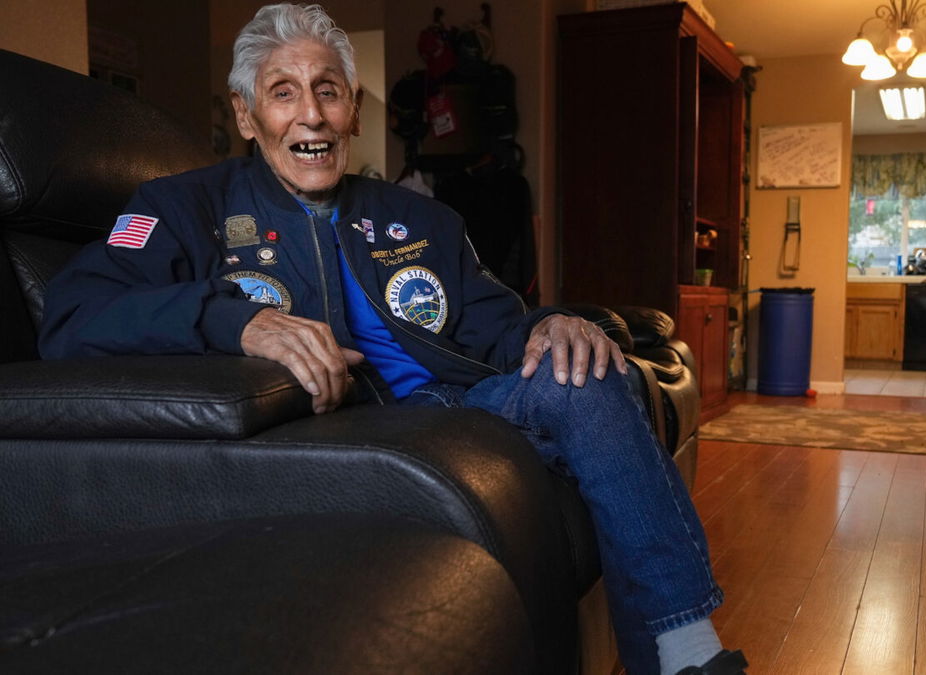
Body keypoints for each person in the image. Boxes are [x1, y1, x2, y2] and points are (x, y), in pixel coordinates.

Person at [37, 5, 745, 675]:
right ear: (246, 115)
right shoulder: (181, 207)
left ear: (355, 112)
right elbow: (72, 317)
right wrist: (238, 320)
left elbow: (497, 323)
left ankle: (687, 654)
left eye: (328, 91)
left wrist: (550, 324)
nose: (310, 113)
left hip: (467, 406)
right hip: (343, 435)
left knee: (590, 372)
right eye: (283, 93)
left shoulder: (419, 216)